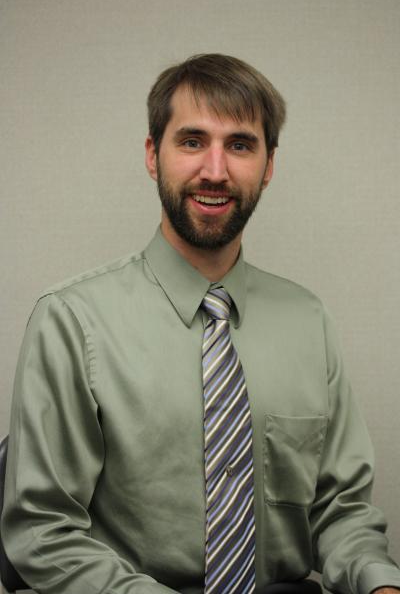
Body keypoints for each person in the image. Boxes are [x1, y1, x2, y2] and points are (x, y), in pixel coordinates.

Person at [2, 53, 400, 594]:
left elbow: (340, 512)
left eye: (240, 144)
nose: (215, 170)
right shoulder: (72, 321)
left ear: (269, 164)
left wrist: (379, 583)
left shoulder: (309, 321)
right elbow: (42, 530)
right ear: (152, 155)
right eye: (192, 141)